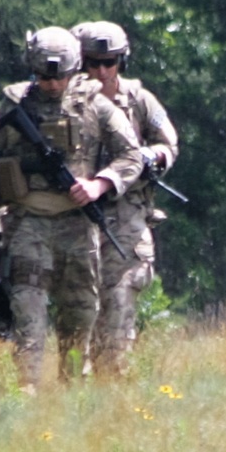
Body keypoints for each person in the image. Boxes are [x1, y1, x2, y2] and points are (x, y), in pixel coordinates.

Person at [0, 26, 142, 391]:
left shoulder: (96, 104)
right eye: (44, 77)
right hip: (28, 224)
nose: (52, 85)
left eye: (61, 77)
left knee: (80, 315)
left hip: (77, 226)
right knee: (28, 317)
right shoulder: (14, 107)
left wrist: (100, 184)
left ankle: (72, 394)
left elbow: (131, 155)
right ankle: (27, 394)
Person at [72, 20, 179, 377]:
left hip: (126, 217)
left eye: (110, 62)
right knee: (77, 311)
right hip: (73, 217)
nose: (102, 71)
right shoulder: (64, 103)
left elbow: (170, 144)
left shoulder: (139, 101)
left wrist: (153, 157)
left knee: (118, 305)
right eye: (93, 63)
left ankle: (111, 385)